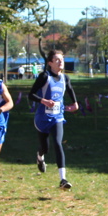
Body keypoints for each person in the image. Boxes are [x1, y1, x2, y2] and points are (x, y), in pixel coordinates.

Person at [30, 50, 79, 189]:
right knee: (45, 148)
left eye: (61, 59)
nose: (60, 61)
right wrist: (44, 101)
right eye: (57, 59)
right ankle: (40, 156)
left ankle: (63, 180)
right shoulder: (44, 76)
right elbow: (31, 94)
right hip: (42, 118)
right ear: (50, 63)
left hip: (57, 117)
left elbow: (70, 89)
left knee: (58, 143)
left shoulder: (65, 78)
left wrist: (75, 103)